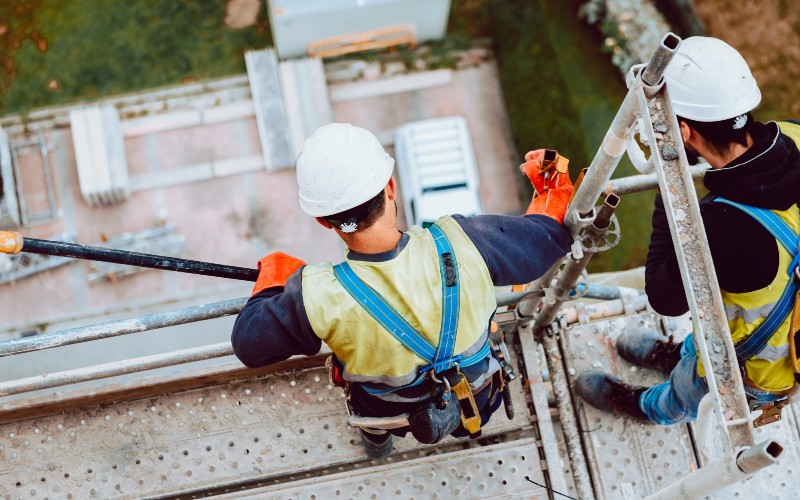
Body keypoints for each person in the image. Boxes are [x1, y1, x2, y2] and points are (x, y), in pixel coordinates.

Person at [231, 122, 573, 458]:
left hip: (385, 410)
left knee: (373, 422)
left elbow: (249, 343)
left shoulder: (318, 295)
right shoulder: (467, 241)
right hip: (477, 392)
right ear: (391, 187)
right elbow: (547, 240)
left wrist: (277, 278)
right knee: (470, 409)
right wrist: (551, 193)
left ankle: (377, 444)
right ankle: (471, 431)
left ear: (323, 220)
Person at [576, 36, 800, 424]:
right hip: (776, 328)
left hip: (755, 367)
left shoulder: (723, 228)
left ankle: (648, 407)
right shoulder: (793, 132)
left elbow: (665, 297)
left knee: (687, 389)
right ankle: (675, 354)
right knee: (698, 348)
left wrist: (672, 190)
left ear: (683, 131)